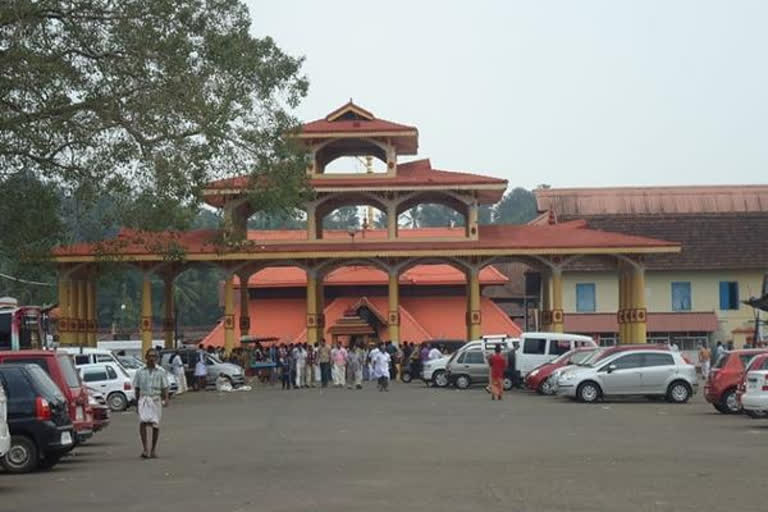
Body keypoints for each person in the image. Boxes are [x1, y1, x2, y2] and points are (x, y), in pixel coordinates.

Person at [133, 349, 169, 459]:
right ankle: (145, 449)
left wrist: (166, 398)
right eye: (150, 356)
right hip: (144, 399)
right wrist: (137, 403)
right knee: (143, 423)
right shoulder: (140, 371)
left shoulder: (161, 371)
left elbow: (165, 386)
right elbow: (137, 387)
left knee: (155, 425)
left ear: (157, 358)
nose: (152, 358)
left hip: (155, 399)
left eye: (154, 356)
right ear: (146, 357)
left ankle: (153, 450)